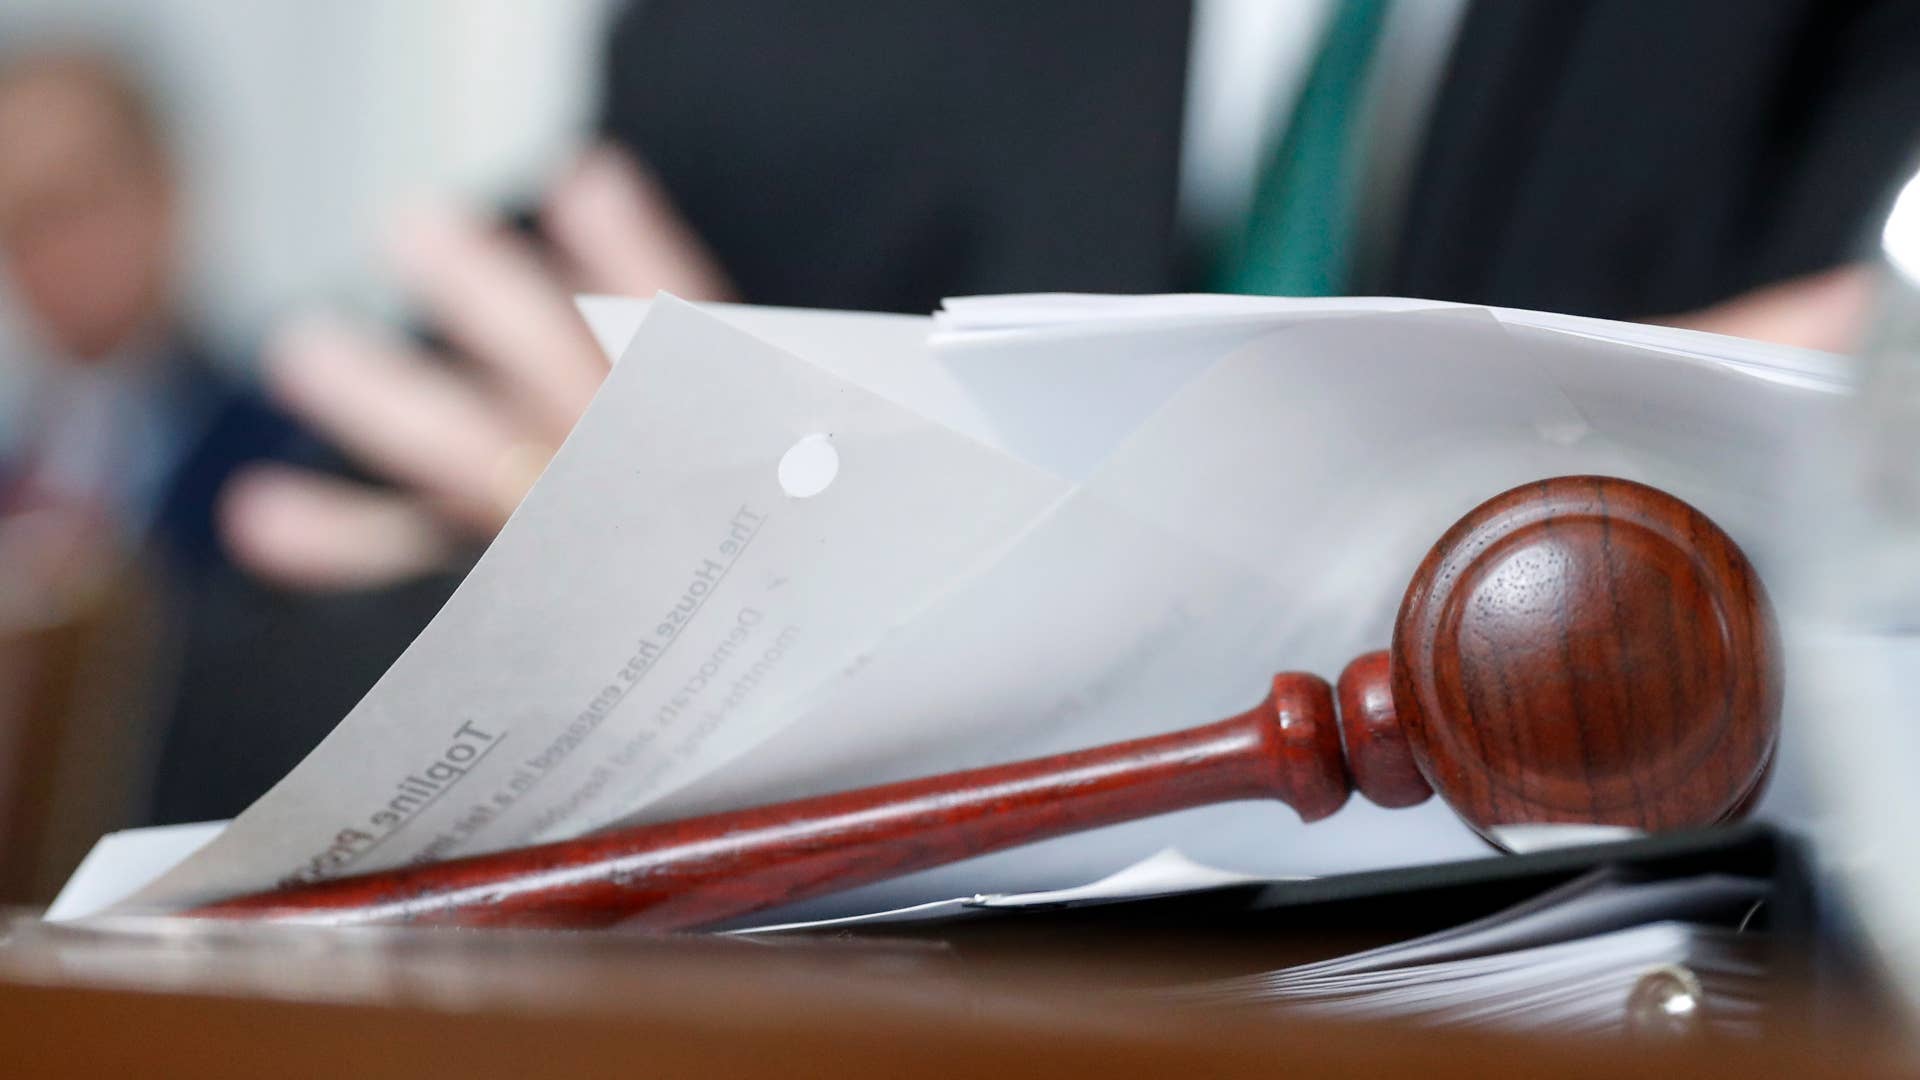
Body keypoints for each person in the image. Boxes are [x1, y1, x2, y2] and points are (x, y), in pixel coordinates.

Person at [0, 50, 454, 827]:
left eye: (71, 202)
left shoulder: (299, 452)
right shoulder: (19, 479)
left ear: (163, 192)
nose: (45, 251)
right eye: (15, 218)